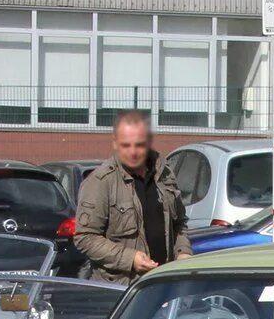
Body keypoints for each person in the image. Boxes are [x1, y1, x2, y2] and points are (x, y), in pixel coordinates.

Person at [73, 110, 191, 283]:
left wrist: (183, 252)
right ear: (115, 143)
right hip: (121, 288)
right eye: (126, 145)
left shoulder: (165, 175)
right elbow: (85, 237)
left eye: (139, 145)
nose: (133, 152)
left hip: (162, 282)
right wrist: (130, 258)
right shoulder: (101, 182)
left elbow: (179, 223)